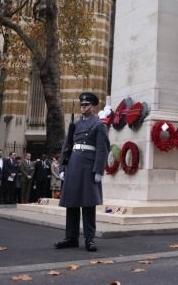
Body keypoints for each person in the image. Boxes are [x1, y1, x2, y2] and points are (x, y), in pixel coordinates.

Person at [54, 92, 109, 252]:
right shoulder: (75, 125)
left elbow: (102, 149)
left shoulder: (99, 125)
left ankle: (89, 239)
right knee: (72, 203)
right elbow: (67, 146)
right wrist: (63, 167)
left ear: (93, 106)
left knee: (88, 204)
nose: (83, 107)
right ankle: (71, 237)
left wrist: (99, 170)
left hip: (88, 167)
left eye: (86, 105)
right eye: (82, 105)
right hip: (74, 165)